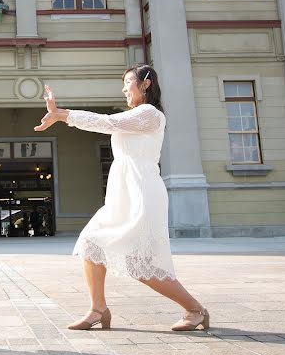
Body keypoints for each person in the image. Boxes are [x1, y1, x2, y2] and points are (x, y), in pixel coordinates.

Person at [34, 65, 209, 332]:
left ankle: (195, 310)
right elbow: (112, 125)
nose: (124, 88)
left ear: (146, 84)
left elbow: (108, 123)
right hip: (121, 194)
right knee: (91, 243)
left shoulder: (150, 114)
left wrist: (62, 115)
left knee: (141, 266)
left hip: (143, 193)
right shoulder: (135, 116)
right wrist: (60, 115)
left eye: (128, 82)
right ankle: (98, 310)